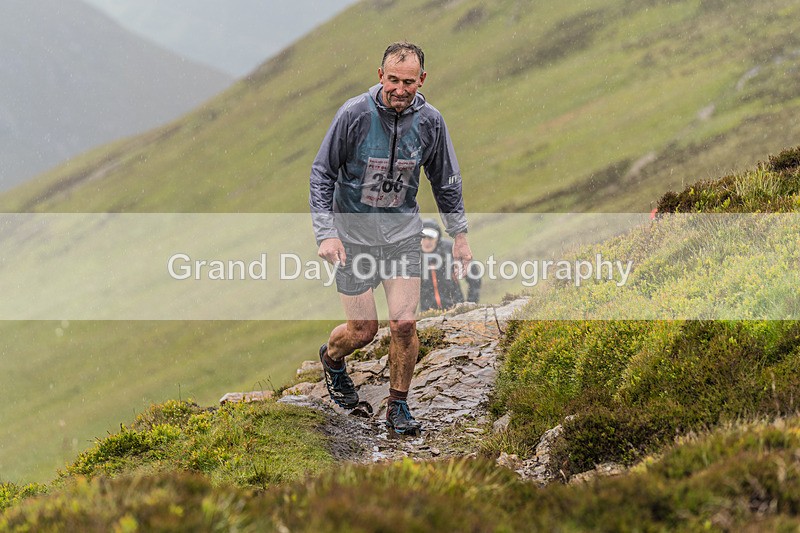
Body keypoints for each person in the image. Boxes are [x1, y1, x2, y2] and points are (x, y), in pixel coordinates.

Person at [309, 41, 472, 436]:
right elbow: (322, 174)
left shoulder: (431, 122)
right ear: (380, 75)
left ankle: (398, 406)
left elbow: (446, 182)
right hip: (353, 238)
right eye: (393, 80)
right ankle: (332, 359)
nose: (400, 89)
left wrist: (460, 235)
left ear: (422, 80)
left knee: (403, 323)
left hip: (402, 236)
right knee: (363, 330)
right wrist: (327, 233)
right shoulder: (354, 115)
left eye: (409, 82)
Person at [420, 218, 481, 311]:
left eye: (430, 238)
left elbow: (474, 277)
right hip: (427, 313)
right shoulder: (414, 256)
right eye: (423, 237)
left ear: (438, 238)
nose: (427, 242)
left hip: (455, 309)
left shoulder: (450, 250)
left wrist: (470, 303)